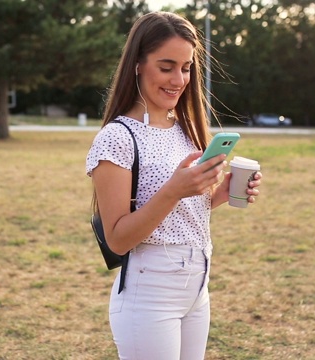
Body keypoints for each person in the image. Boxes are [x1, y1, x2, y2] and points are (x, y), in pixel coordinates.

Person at [85, 11, 262, 360]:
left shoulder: (185, 128)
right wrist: (174, 190)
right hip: (149, 294)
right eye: (166, 67)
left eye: (186, 67)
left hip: (197, 288)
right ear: (138, 64)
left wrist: (219, 194)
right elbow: (118, 238)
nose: (178, 79)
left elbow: (175, 214)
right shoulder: (117, 138)